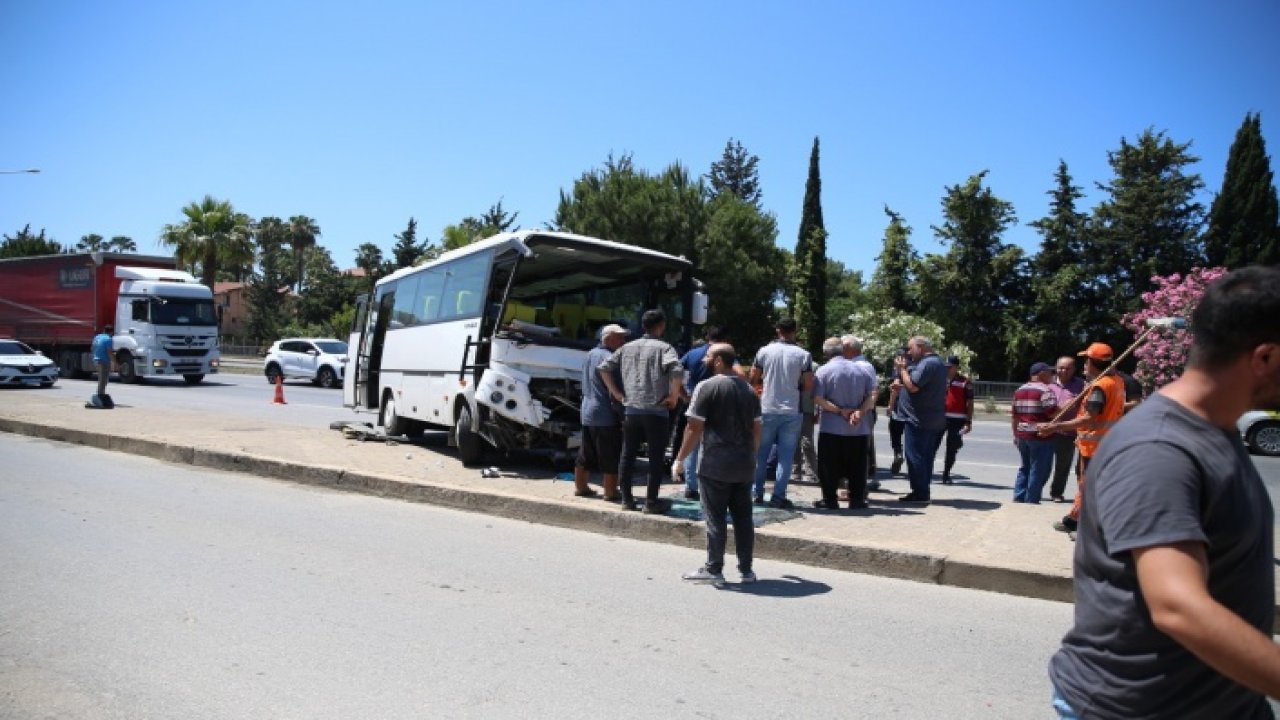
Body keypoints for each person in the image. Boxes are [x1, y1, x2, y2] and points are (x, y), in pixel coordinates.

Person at [1048, 265, 1280, 718]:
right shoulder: (1159, 448)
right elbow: (1178, 606)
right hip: (1139, 710)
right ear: (1265, 357)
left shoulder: (1214, 430)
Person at [673, 343, 762, 585]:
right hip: (744, 465)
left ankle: (714, 568)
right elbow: (757, 429)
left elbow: (694, 427)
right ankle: (746, 570)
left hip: (715, 464)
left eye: (708, 357)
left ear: (719, 361)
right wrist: (751, 457)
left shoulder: (707, 387)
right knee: (743, 519)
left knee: (715, 518)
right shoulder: (749, 390)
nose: (704, 360)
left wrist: (680, 459)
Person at [599, 309, 683, 514]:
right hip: (656, 411)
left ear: (643, 325)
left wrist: (617, 393)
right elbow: (676, 370)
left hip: (631, 410)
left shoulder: (626, 348)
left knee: (627, 454)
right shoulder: (665, 348)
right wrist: (673, 396)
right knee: (655, 457)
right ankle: (651, 502)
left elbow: (604, 368)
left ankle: (627, 499)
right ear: (661, 326)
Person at [1039, 342, 1126, 534]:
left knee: (1088, 486)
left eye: (1087, 360)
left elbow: (1088, 417)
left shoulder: (1100, 387)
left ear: (1093, 363)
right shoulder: (1116, 381)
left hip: (1095, 446)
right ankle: (1076, 520)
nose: (1084, 364)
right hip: (1108, 443)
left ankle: (1081, 524)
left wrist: (1055, 426)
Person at [749, 317, 814, 510]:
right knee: (786, 456)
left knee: (760, 453)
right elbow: (808, 384)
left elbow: (753, 377)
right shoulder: (803, 355)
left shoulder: (764, 351)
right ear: (795, 330)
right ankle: (778, 496)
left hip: (767, 407)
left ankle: (756, 492)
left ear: (778, 330)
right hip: (792, 409)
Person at [812, 337, 877, 510]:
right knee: (858, 466)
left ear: (826, 353)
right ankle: (857, 500)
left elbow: (818, 398)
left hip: (832, 427)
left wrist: (840, 411)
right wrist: (860, 411)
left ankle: (830, 500)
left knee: (829, 466)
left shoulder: (823, 371)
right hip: (858, 428)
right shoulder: (861, 369)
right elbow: (872, 395)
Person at [573, 324, 628, 501]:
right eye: (620, 337)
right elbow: (614, 391)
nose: (623, 341)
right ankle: (610, 491)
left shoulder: (590, 354)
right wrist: (622, 416)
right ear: (608, 338)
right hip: (605, 413)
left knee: (586, 452)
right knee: (610, 454)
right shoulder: (610, 358)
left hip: (587, 411)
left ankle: (581, 487)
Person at [892, 336, 947, 502]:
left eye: (911, 348)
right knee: (925, 457)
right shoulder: (935, 363)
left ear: (921, 347)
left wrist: (902, 370)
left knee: (915, 456)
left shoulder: (927, 363)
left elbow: (914, 386)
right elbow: (920, 387)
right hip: (928, 418)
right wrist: (902, 386)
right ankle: (922, 491)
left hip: (919, 419)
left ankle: (920, 493)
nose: (909, 352)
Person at [1010, 362, 1058, 504]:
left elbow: (1015, 416)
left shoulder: (1019, 390)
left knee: (1025, 467)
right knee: (1038, 469)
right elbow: (1052, 412)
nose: (1052, 376)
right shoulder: (1045, 391)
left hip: (1022, 434)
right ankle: (1032, 500)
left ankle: (1019, 496)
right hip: (1040, 435)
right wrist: (1068, 405)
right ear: (1041, 374)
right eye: (1050, 373)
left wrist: (1015, 435)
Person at [1046, 356, 1085, 503]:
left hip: (1068, 432)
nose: (1064, 371)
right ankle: (1033, 491)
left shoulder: (1082, 385)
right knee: (1043, 464)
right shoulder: (1048, 383)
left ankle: (1056, 492)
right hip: (1048, 430)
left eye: (1068, 368)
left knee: (1062, 466)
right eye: (1061, 368)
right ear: (1056, 368)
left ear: (1074, 369)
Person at [940, 355, 974, 485]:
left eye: (950, 367)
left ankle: (946, 474)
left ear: (957, 367)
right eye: (946, 367)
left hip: (957, 419)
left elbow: (970, 403)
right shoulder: (940, 380)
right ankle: (927, 473)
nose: (948, 369)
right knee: (932, 445)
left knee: (952, 448)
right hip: (940, 418)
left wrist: (968, 422)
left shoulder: (965, 382)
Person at [886, 346, 909, 476]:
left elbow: (895, 389)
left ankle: (898, 453)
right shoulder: (915, 367)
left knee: (895, 433)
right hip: (912, 410)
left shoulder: (898, 370)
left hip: (899, 408)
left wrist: (890, 406)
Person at [91, 324, 114, 401]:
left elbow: (92, 348)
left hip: (96, 360)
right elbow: (109, 352)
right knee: (103, 379)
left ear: (104, 330)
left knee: (101, 379)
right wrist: (115, 363)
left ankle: (101, 394)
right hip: (103, 361)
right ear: (111, 332)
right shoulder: (108, 339)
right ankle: (100, 395)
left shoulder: (97, 337)